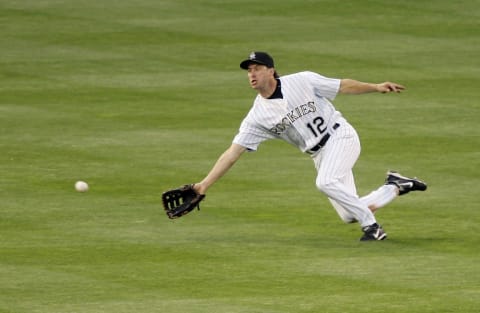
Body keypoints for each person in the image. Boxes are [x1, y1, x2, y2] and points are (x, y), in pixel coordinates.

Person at [193, 51, 427, 241]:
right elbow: (232, 153)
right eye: (249, 70)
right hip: (319, 155)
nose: (251, 74)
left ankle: (373, 228)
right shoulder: (256, 117)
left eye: (257, 68)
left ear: (271, 71)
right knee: (348, 214)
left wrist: (375, 86)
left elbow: (342, 86)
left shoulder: (301, 80)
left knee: (325, 182)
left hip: (340, 136)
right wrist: (203, 185)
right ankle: (396, 185)